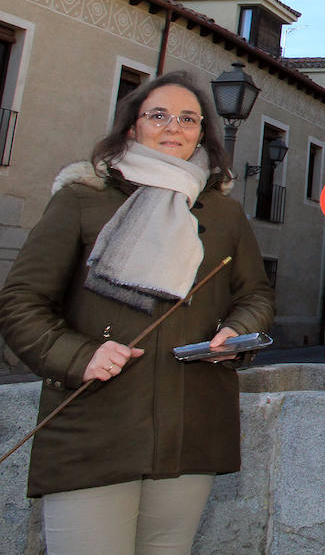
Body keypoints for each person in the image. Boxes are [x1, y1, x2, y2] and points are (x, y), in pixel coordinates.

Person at [0, 70, 275, 555]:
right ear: (132, 127)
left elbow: (255, 295)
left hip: (192, 424)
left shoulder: (223, 213)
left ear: (201, 133)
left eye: (188, 118)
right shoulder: (82, 198)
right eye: (159, 115)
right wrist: (78, 354)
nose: (174, 127)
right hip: (94, 423)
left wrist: (237, 331)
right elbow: (21, 301)